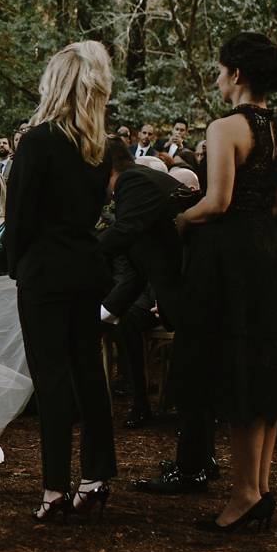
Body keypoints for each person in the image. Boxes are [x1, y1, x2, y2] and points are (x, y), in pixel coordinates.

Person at [171, 32, 277, 534]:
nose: (217, 77)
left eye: (220, 69)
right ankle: (259, 486)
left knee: (239, 366)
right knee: (263, 363)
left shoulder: (226, 127)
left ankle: (244, 494)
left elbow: (216, 201)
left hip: (232, 256)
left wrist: (179, 220)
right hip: (267, 251)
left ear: (237, 73)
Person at [5, 42, 116, 522]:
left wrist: (16, 265)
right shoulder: (101, 146)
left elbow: (19, 215)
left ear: (57, 82)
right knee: (88, 373)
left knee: (50, 378)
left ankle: (53, 489)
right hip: (85, 268)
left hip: (45, 270)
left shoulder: (38, 140)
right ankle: (94, 477)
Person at [98, 137, 197, 434]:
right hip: (178, 286)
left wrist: (76, 258)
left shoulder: (134, 181)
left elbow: (124, 233)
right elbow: (137, 269)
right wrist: (103, 314)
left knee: (192, 364)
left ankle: (196, 447)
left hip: (189, 285)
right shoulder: (136, 189)